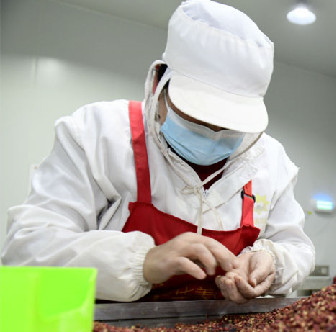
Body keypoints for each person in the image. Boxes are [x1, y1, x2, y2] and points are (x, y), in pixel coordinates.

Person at [1, 0, 315, 303]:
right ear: (158, 84)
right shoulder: (98, 135)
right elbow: (27, 248)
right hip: (110, 330)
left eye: (230, 126)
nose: (213, 132)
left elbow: (297, 249)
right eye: (197, 117)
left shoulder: (269, 161)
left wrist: (271, 262)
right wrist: (143, 262)